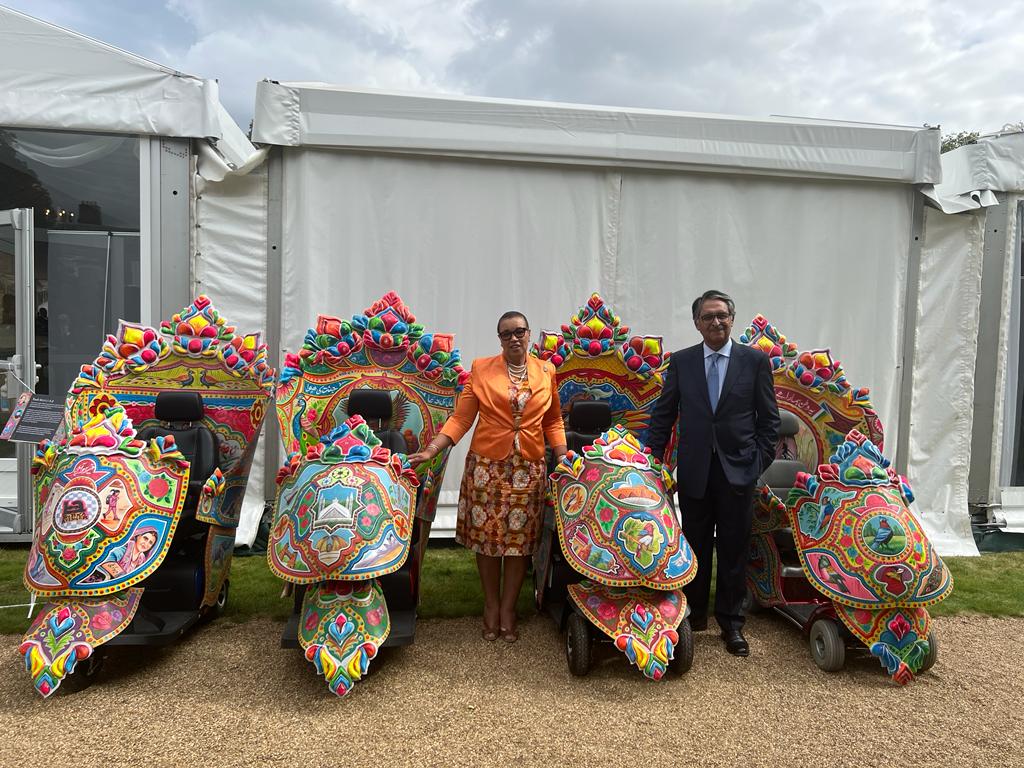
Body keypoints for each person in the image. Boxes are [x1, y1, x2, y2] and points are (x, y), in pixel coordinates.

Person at [409, 311, 567, 643]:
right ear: (499, 338)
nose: (514, 338)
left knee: (519, 543)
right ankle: (491, 606)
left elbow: (553, 420)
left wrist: (564, 456)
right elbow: (460, 418)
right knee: (488, 541)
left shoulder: (546, 370)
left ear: (528, 334)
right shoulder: (481, 369)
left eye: (519, 332)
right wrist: (433, 449)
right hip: (487, 469)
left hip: (529, 470)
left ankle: (508, 609)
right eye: (506, 334)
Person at [647, 290, 779, 657]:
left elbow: (769, 423)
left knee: (735, 550)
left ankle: (732, 624)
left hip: (739, 474)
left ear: (732, 318)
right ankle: (692, 615)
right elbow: (664, 415)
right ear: (697, 323)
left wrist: (754, 466)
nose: (716, 322)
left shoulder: (754, 361)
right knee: (694, 547)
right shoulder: (683, 361)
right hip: (695, 473)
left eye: (722, 315)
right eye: (708, 317)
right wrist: (652, 461)